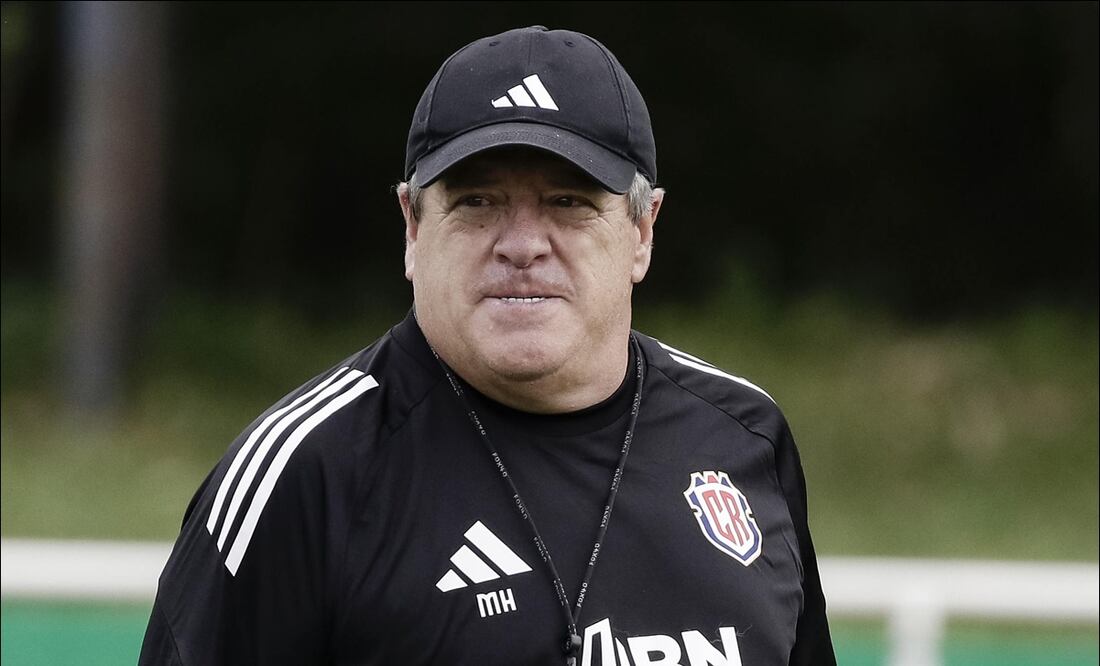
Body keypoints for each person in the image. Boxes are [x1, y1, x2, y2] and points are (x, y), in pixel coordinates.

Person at [140, 25, 835, 666]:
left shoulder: (744, 438)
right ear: (412, 224)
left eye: (569, 201)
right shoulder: (307, 474)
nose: (524, 245)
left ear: (643, 229)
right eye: (477, 201)